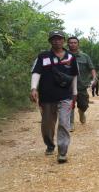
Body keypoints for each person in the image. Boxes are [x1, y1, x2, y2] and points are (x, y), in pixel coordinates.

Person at [30, 30, 79, 163]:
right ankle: (50, 144)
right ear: (50, 41)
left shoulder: (70, 57)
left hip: (65, 96)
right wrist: (33, 88)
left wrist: (75, 92)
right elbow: (36, 72)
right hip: (47, 97)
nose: (57, 41)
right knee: (47, 125)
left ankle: (62, 151)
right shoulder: (43, 56)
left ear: (63, 40)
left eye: (59, 39)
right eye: (54, 39)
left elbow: (74, 75)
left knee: (64, 122)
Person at [67, 36, 97, 131]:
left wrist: (94, 78)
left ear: (78, 44)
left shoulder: (85, 56)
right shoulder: (64, 56)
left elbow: (91, 68)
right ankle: (70, 123)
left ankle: (81, 112)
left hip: (81, 86)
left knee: (84, 105)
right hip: (68, 86)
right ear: (68, 44)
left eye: (75, 42)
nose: (73, 44)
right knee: (69, 105)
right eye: (71, 42)